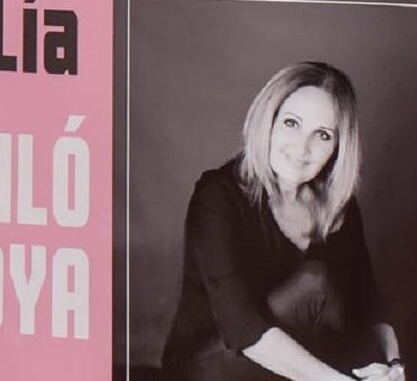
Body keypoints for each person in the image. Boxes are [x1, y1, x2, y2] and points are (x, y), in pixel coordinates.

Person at [161, 62, 404, 381]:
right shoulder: (217, 196)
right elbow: (241, 325)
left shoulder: (336, 203)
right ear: (269, 122)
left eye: (323, 134)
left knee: (334, 296)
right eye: (292, 123)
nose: (301, 148)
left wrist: (393, 366)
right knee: (315, 283)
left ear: (338, 147)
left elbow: (367, 302)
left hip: (293, 363)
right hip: (212, 361)